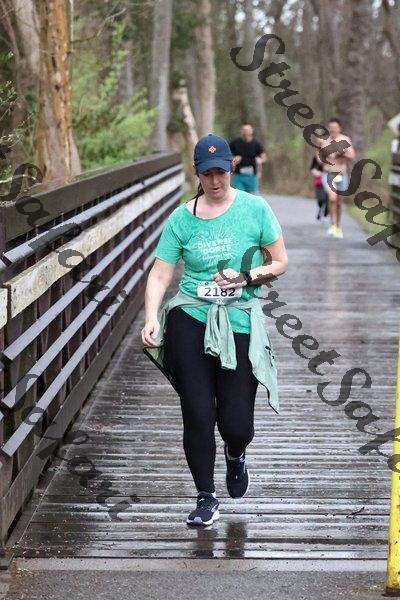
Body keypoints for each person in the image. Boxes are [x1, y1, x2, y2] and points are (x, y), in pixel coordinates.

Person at [141, 133, 288, 526]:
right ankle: (205, 497)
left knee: (237, 425)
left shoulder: (255, 209)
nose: (215, 180)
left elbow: (279, 262)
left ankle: (236, 454)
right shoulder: (181, 219)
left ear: (231, 168)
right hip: (190, 316)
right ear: (197, 173)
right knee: (198, 412)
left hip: (238, 319)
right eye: (207, 174)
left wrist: (245, 276)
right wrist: (152, 316)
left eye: (221, 172)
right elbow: (160, 274)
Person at [318, 118, 355, 239]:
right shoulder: (324, 141)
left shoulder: (345, 140)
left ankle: (338, 225)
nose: (333, 130)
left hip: (341, 174)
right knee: (332, 197)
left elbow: (352, 155)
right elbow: (318, 159)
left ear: (339, 128)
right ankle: (332, 224)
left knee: (339, 202)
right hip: (328, 174)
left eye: (335, 128)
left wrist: (342, 153)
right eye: (331, 128)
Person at [229, 124, 267, 193]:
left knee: (252, 195)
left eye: (248, 130)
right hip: (238, 175)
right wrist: (234, 158)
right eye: (244, 130)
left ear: (252, 131)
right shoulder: (235, 143)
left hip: (252, 176)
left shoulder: (256, 144)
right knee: (240, 195)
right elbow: (226, 154)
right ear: (241, 131)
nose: (246, 132)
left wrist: (260, 160)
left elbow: (264, 157)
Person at [310, 150, 328, 221]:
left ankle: (325, 215)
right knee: (320, 199)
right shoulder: (315, 158)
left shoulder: (328, 158)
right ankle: (320, 209)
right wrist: (315, 172)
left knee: (326, 199)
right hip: (318, 181)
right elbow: (312, 168)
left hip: (327, 181)